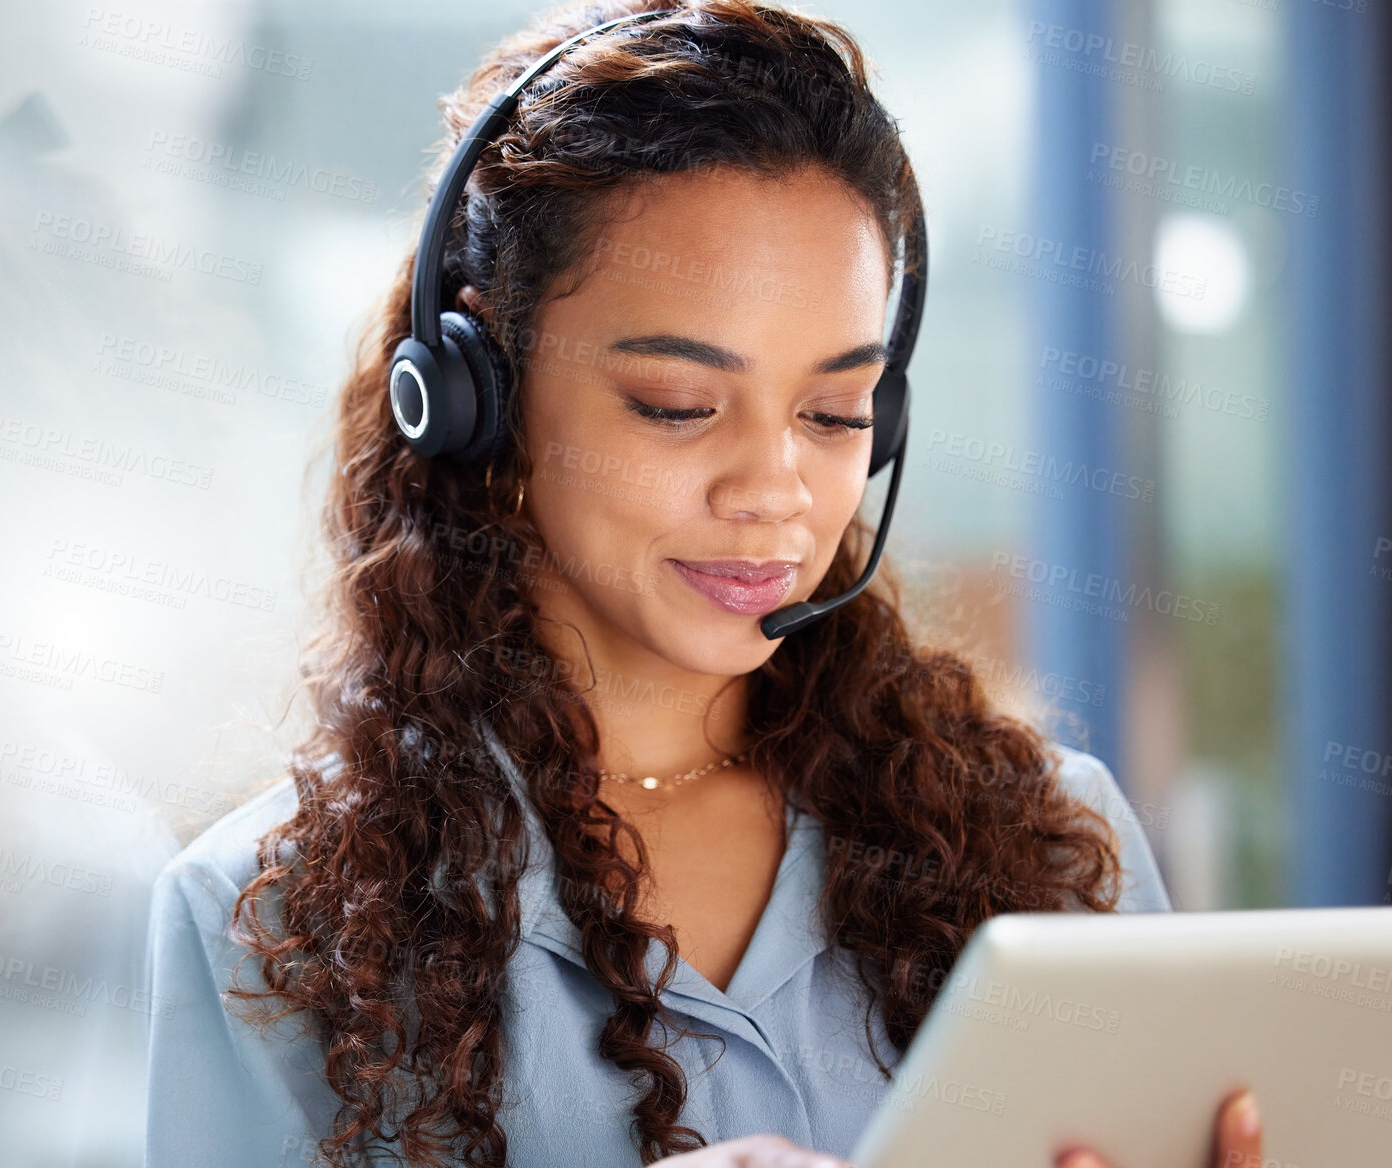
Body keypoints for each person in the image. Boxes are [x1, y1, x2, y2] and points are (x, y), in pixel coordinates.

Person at [143, 3, 1262, 1165]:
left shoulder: (1048, 843)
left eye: (835, 413)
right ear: (480, 390)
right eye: (679, 407)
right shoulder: (266, 919)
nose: (776, 491)